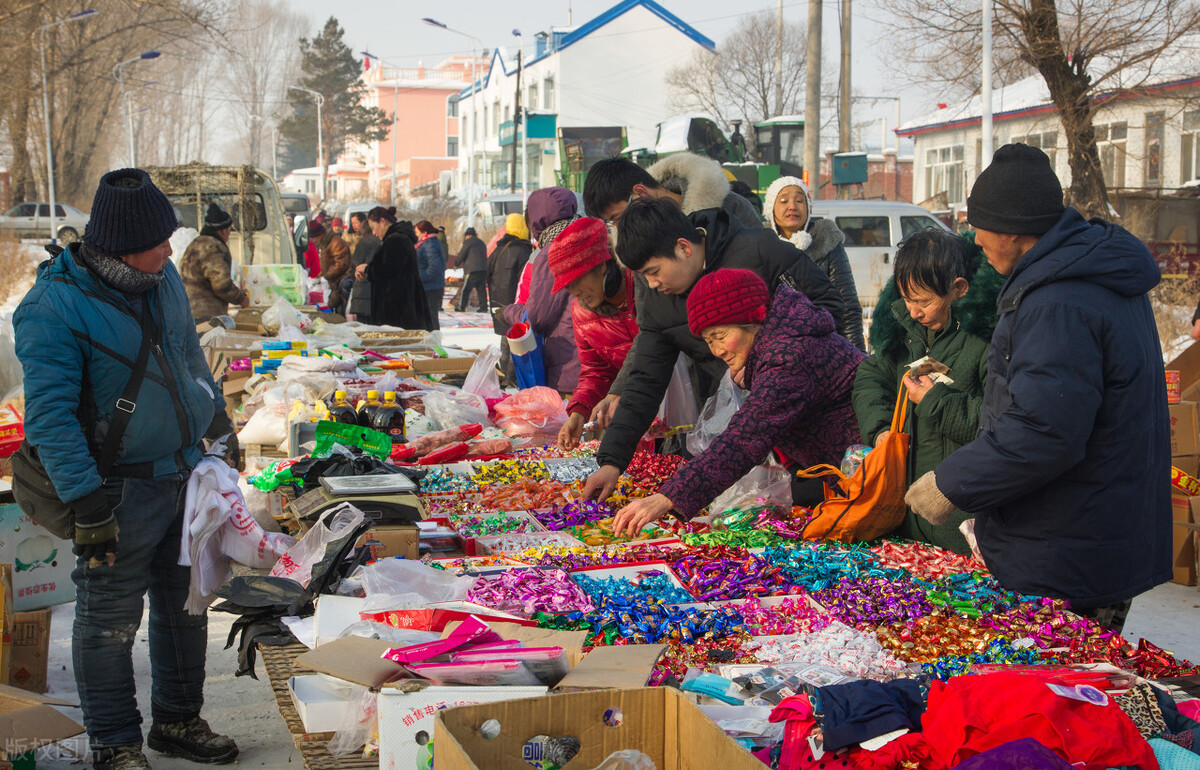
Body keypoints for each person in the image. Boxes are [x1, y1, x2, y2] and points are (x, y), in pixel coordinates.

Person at [14, 168, 240, 770]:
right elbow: (50, 419)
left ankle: (178, 720)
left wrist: (218, 424)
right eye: (159, 241)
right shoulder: (52, 307)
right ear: (121, 245)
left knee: (185, 608)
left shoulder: (162, 277)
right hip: (113, 490)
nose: (172, 251)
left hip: (182, 475)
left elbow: (189, 355)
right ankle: (115, 743)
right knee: (109, 624)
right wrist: (88, 504)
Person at [904, 143, 1171, 631]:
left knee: (1058, 694)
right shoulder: (1082, 276)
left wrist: (951, 483)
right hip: (1088, 532)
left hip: (1071, 546)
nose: (975, 237)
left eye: (980, 224)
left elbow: (1044, 429)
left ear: (1013, 228)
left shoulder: (1060, 301)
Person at [581, 197, 844, 501]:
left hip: (810, 410)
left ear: (684, 247)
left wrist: (769, 359)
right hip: (737, 418)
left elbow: (828, 310)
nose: (651, 284)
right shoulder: (658, 302)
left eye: (654, 271)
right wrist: (612, 460)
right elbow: (645, 380)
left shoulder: (759, 250)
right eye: (644, 276)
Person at [612, 269, 864, 535]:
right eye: (709, 341)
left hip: (875, 472)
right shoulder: (779, 343)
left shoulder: (789, 355)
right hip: (850, 474)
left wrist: (668, 497)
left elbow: (745, 437)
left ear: (751, 321)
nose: (717, 351)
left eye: (720, 336)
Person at [851, 229, 1003, 554]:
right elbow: (871, 374)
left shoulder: (987, 340)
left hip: (961, 526)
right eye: (907, 299)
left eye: (924, 301)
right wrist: (880, 432)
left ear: (958, 289)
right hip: (907, 521)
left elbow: (1001, 424)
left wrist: (935, 401)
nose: (915, 311)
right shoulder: (906, 331)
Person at [547, 217, 640, 450]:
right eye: (568, 286)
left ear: (601, 264)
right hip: (636, 417)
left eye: (577, 280)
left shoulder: (643, 283)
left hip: (679, 403)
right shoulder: (581, 312)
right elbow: (596, 371)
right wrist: (578, 412)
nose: (575, 291)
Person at [763, 176, 865, 350]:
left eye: (800, 200)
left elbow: (848, 307)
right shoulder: (761, 247)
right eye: (783, 200)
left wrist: (857, 356)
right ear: (771, 208)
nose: (792, 206)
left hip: (823, 348)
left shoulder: (827, 242)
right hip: (774, 351)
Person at [502, 187, 581, 393]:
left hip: (568, 362)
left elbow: (537, 316)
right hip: (593, 362)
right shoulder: (584, 237)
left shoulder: (552, 250)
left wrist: (508, 312)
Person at [582, 153, 762, 229]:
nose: (619, 227)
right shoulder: (637, 241)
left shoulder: (731, 207)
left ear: (640, 192)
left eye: (618, 218)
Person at [179, 202, 249, 323]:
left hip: (188, 310)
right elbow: (221, 284)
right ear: (223, 231)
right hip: (205, 314)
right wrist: (240, 298)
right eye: (229, 230)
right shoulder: (214, 247)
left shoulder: (196, 243)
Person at [366, 206, 432, 330]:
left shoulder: (395, 241)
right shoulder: (398, 239)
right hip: (402, 312)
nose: (374, 233)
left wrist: (367, 269)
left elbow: (387, 272)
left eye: (373, 227)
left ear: (382, 221)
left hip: (398, 314)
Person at [488, 213, 533, 335]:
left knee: (506, 338)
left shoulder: (498, 250)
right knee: (517, 342)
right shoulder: (525, 251)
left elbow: (487, 274)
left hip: (498, 305)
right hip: (517, 307)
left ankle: (505, 355)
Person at [345, 212, 380, 323]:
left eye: (356, 222)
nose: (354, 225)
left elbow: (357, 264)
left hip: (363, 291)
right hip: (373, 292)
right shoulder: (378, 241)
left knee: (365, 328)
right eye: (352, 223)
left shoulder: (365, 242)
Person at [414, 220, 447, 330]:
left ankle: (434, 343)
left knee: (431, 318)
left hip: (431, 287)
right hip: (430, 286)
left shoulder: (430, 244)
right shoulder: (427, 243)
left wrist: (420, 277)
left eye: (417, 233)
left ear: (424, 232)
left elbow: (434, 267)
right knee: (428, 317)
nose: (416, 235)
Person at [318, 220, 351, 311]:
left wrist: (327, 275)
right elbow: (329, 261)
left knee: (336, 307)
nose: (313, 240)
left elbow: (341, 263)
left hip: (339, 282)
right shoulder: (326, 243)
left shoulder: (336, 242)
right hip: (334, 282)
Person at [456, 226, 488, 312]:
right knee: (481, 290)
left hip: (472, 270)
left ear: (468, 235)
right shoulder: (481, 242)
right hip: (483, 270)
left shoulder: (468, 241)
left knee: (466, 289)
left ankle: (461, 307)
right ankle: (483, 307)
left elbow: (462, 254)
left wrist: (457, 263)